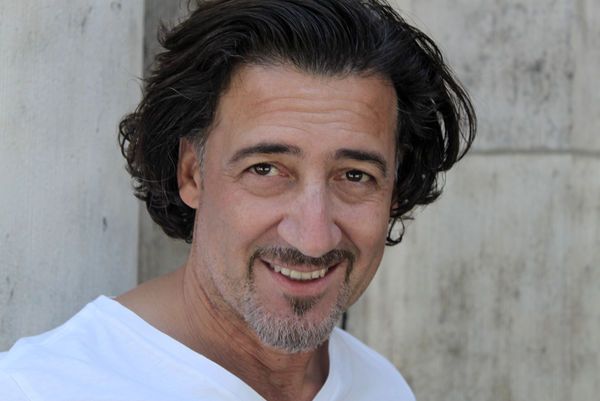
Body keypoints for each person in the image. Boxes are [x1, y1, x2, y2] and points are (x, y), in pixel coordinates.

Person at [0, 0, 476, 400]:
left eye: (355, 175)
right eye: (265, 169)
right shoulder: (38, 389)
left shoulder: (381, 386)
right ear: (192, 173)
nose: (313, 238)